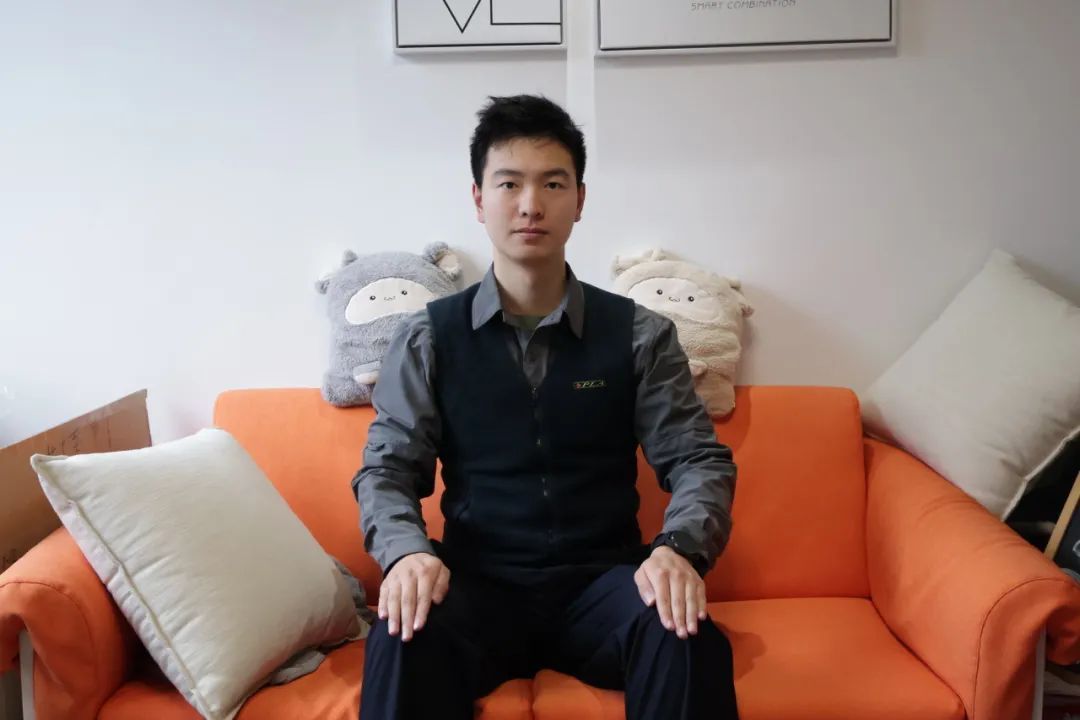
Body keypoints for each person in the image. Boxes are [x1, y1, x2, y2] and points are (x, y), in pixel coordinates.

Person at [354, 94, 739, 720]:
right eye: (509, 183)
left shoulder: (640, 334)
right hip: (478, 586)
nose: (531, 204)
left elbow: (698, 460)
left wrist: (680, 549)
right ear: (479, 199)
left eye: (552, 184)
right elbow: (387, 469)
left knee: (684, 632)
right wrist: (407, 553)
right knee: (402, 634)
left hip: (602, 585)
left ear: (579, 200)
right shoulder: (428, 337)